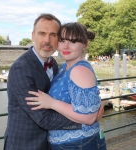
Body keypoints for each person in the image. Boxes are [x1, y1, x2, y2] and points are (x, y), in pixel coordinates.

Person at [4, 14, 82, 150]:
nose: (47, 40)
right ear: (33, 36)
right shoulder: (21, 68)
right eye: (42, 34)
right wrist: (84, 119)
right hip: (24, 145)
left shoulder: (54, 64)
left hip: (50, 143)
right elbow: (43, 118)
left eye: (53, 35)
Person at [26, 22, 107, 150]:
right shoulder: (64, 67)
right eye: (62, 40)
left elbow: (89, 118)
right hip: (70, 143)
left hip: (80, 144)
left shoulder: (79, 70)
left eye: (73, 42)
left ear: (84, 45)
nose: (66, 46)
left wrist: (52, 103)